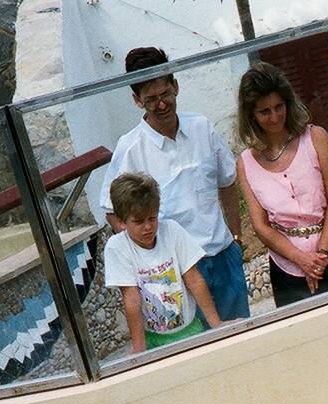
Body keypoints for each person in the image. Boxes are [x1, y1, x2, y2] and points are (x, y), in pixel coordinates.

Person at [98, 46, 250, 326]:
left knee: (244, 339)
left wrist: (236, 238)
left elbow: (227, 182)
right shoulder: (130, 148)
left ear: (176, 86)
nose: (161, 104)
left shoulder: (202, 127)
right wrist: (150, 258)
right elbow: (112, 211)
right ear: (137, 100)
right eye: (151, 99)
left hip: (224, 257)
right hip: (178, 275)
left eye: (165, 94)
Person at [234, 62, 328, 307]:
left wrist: (320, 256)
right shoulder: (245, 163)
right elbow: (261, 226)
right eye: (264, 111)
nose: (274, 117)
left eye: (279, 107)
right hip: (288, 271)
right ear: (251, 115)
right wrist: (301, 260)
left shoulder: (316, 138)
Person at [104, 172, 222, 351]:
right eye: (138, 221)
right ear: (121, 222)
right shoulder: (117, 247)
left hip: (190, 329)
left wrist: (216, 324)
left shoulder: (172, 231)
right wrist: (139, 350)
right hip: (153, 339)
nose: (148, 227)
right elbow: (132, 298)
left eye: (152, 218)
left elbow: (194, 279)